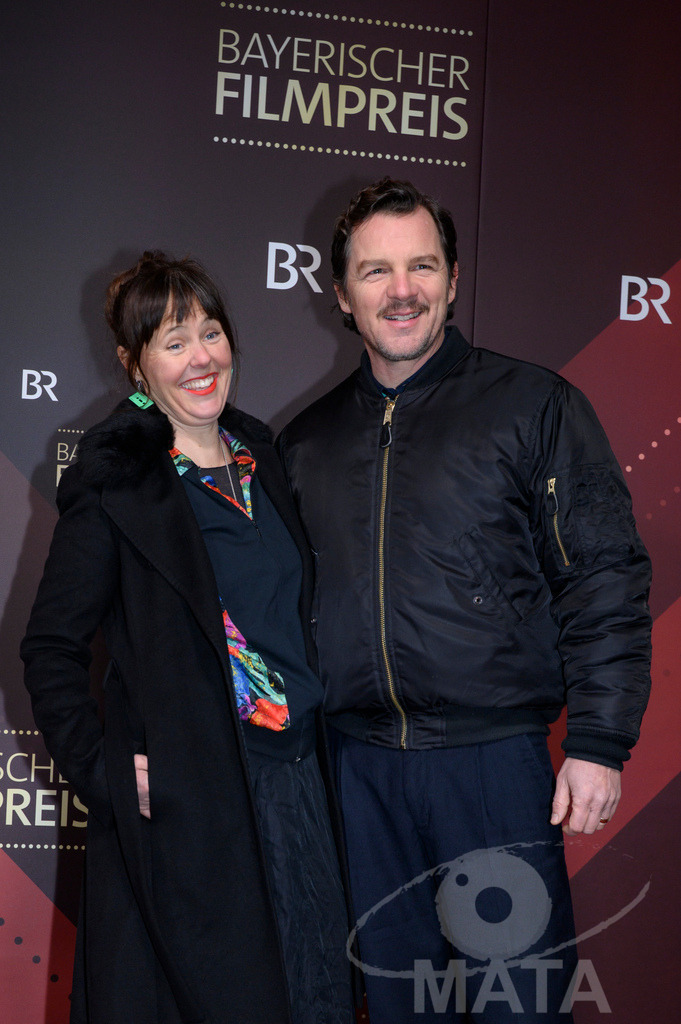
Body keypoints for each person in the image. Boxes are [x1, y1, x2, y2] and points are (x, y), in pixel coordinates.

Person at [277, 178, 652, 1022]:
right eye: (374, 271)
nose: (400, 290)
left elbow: (603, 575)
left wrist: (599, 741)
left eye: (421, 266)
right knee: (399, 1009)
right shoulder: (304, 442)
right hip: (357, 772)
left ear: (451, 279)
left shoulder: (534, 406)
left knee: (516, 1005)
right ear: (340, 293)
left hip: (492, 768)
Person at [21, 251, 353, 1024]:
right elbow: (50, 648)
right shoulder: (119, 480)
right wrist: (104, 771)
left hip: (299, 787)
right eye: (173, 342)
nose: (201, 357)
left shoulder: (263, 455)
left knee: (312, 997)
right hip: (198, 809)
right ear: (134, 363)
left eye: (210, 332)